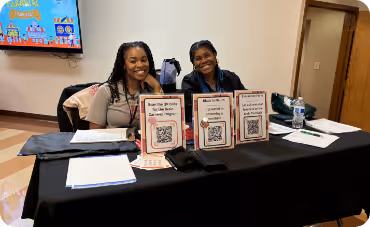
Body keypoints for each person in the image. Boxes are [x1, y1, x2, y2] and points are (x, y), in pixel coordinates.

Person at [86, 41, 162, 129]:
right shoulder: (106, 91)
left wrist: (157, 87)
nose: (140, 65)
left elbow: (161, 126)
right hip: (114, 142)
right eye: (133, 61)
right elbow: (95, 132)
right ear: (123, 65)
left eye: (144, 60)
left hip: (143, 142)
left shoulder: (153, 89)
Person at [181, 40, 246, 122]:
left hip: (232, 126)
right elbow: (189, 114)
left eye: (207, 55)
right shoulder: (189, 81)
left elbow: (245, 100)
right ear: (193, 63)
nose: (204, 61)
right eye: (198, 58)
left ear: (215, 56)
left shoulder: (230, 77)